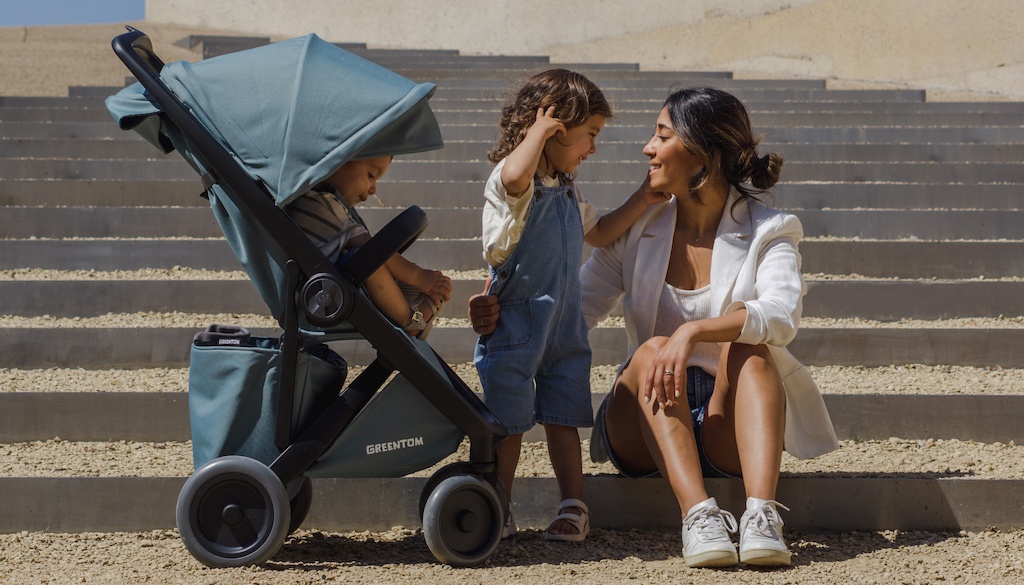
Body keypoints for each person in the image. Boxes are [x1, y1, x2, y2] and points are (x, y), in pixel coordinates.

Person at [470, 87, 838, 566]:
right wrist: (505, 310)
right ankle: (698, 517)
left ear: (702, 153)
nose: (648, 148)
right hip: (645, 424)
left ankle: (761, 516)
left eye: (662, 136)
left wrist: (695, 332)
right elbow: (572, 306)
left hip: (729, 425)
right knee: (652, 350)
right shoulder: (640, 228)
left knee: (751, 350)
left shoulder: (770, 228)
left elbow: (781, 314)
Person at [476, 69, 668, 543]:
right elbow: (517, 176)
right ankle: (498, 503)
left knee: (563, 415)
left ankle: (572, 504)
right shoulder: (511, 181)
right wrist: (537, 132)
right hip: (516, 323)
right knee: (508, 421)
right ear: (557, 128)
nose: (593, 148)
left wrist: (642, 198)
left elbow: (599, 233)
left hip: (563, 326)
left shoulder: (567, 188)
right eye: (590, 134)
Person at [287, 155, 452, 335]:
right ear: (339, 160)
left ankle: (403, 301)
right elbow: (374, 249)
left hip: (319, 291)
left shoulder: (306, 199)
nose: (373, 190)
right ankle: (409, 319)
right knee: (368, 258)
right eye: (371, 175)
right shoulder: (321, 203)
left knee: (366, 257)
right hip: (324, 298)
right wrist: (419, 277)